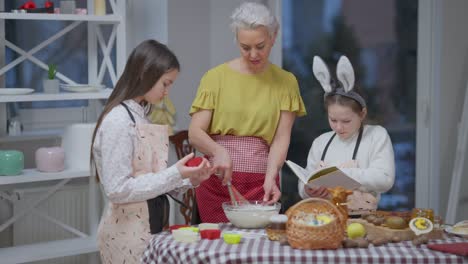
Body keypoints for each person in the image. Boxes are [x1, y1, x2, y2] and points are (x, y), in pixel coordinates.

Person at [91, 40, 213, 263]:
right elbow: (117, 189)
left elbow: (149, 180)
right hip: (126, 235)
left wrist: (189, 178)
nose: (167, 92)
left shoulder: (139, 115)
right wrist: (176, 173)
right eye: (165, 84)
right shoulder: (118, 121)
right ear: (145, 74)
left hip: (147, 228)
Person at [189, 2, 306, 223]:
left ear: (274, 36)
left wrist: (272, 176)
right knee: (218, 250)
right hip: (217, 182)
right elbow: (195, 133)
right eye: (245, 47)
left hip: (262, 182)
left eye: (260, 46)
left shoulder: (286, 82)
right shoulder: (215, 78)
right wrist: (218, 151)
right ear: (237, 40)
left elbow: (281, 138)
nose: (253, 54)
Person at [298, 55, 395, 214]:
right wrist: (308, 190)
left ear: (362, 114)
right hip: (324, 221)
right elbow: (306, 180)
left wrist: (341, 175)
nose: (338, 127)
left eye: (346, 121)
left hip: (361, 221)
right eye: (333, 120)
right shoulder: (321, 142)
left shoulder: (376, 135)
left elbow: (384, 179)